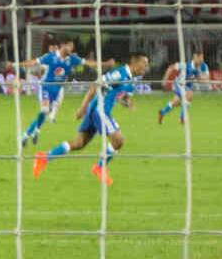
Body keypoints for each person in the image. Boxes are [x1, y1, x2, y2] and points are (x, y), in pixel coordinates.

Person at [31, 52, 149, 186]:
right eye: (144, 63)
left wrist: (127, 103)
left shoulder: (131, 80)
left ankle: (44, 157)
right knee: (119, 140)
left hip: (96, 110)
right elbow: (95, 85)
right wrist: (83, 107)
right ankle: (99, 167)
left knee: (79, 143)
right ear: (134, 62)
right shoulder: (120, 73)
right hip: (100, 110)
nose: (146, 67)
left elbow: (120, 96)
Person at [18, 38, 88, 146]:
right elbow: (37, 67)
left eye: (72, 46)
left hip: (58, 88)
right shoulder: (50, 56)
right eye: (69, 46)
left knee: (45, 112)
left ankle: (29, 133)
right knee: (45, 110)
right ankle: (33, 132)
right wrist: (19, 65)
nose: (71, 48)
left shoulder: (71, 59)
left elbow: (82, 64)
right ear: (62, 45)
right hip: (46, 86)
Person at [158, 48, 211, 124]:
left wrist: (199, 77)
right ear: (195, 57)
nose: (201, 60)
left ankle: (162, 112)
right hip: (178, 84)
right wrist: (165, 80)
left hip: (187, 87)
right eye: (200, 58)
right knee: (189, 95)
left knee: (176, 102)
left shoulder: (204, 66)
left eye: (202, 58)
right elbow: (171, 68)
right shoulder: (185, 65)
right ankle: (182, 119)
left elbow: (206, 78)